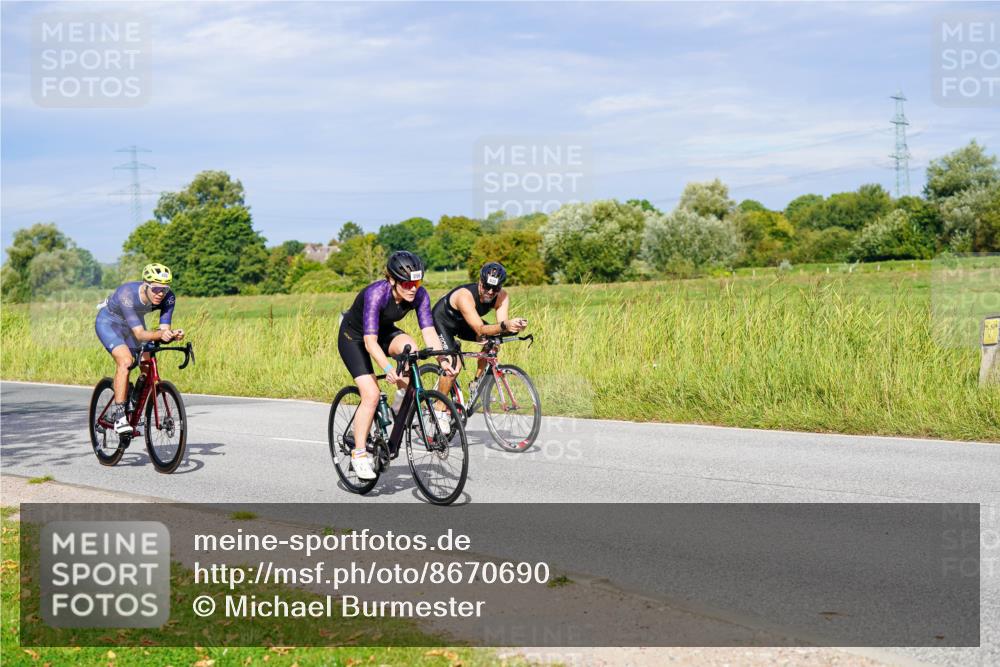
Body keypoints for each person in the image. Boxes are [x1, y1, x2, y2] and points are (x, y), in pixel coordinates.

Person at [338, 251, 446, 481]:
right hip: (354, 337)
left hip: (383, 331)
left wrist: (443, 361)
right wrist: (388, 369)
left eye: (416, 282)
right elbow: (369, 342)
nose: (412, 288)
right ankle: (359, 454)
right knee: (371, 394)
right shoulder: (376, 293)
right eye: (407, 283)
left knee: (412, 351)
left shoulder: (419, 295)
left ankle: (398, 409)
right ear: (392, 280)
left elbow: (428, 330)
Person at [94, 263, 184, 435]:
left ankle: (134, 399)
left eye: (164, 290)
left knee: (147, 362)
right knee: (126, 361)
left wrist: (171, 334)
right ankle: (120, 416)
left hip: (133, 324)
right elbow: (141, 334)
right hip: (110, 323)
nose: (160, 294)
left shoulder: (169, 298)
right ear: (146, 284)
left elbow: (163, 330)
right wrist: (160, 335)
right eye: (156, 289)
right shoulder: (127, 293)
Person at [432, 261, 527, 406]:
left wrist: (515, 326)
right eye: (487, 286)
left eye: (495, 288)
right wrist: (504, 325)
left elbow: (502, 326)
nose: (490, 292)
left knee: (493, 344)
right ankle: (439, 409)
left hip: (465, 323)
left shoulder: (502, 296)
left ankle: (476, 384)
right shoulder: (465, 296)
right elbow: (480, 329)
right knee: (453, 367)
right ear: (480, 281)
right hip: (443, 321)